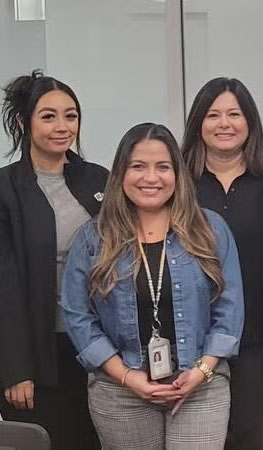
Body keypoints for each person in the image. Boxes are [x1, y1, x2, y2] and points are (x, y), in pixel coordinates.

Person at [60, 122, 244, 449]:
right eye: (138, 166)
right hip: (119, 389)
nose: (150, 178)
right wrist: (127, 377)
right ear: (120, 173)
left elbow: (230, 307)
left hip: (200, 385)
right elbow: (77, 314)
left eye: (162, 167)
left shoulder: (210, 229)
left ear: (177, 174)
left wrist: (201, 371)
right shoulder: (93, 237)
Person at [0, 70, 106, 449]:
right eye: (48, 116)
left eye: (71, 115)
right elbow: (4, 286)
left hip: (98, 350)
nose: (62, 126)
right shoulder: (6, 189)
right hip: (38, 356)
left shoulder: (99, 180)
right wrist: (15, 368)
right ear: (22, 122)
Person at [182, 77, 263, 450]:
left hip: (256, 341)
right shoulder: (179, 186)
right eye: (213, 115)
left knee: (254, 439)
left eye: (234, 114)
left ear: (249, 123)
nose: (225, 124)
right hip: (190, 343)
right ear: (198, 124)